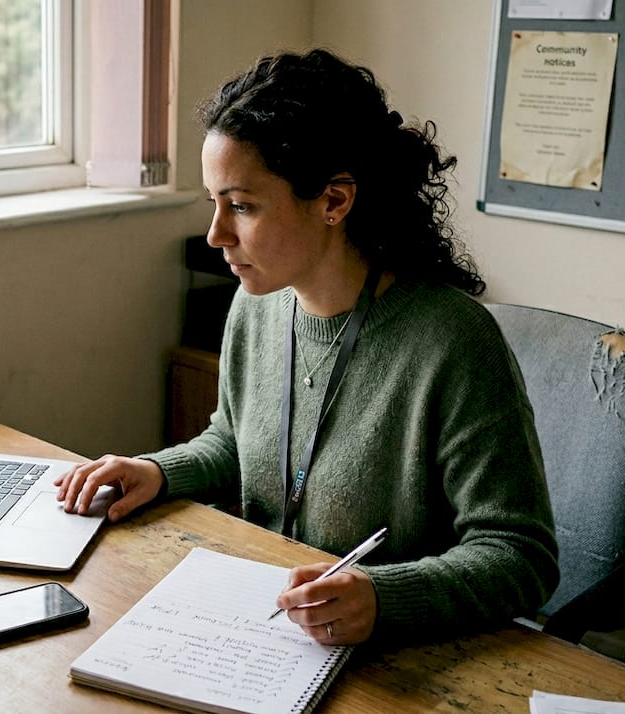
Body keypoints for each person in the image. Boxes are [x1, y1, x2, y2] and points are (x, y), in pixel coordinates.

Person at [56, 48, 558, 647]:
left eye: (241, 206)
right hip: (263, 630)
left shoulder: (453, 342)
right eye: (214, 204)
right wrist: (155, 472)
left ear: (334, 201)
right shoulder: (257, 302)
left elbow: (520, 556)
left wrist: (383, 597)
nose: (217, 235)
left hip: (397, 657)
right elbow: (235, 442)